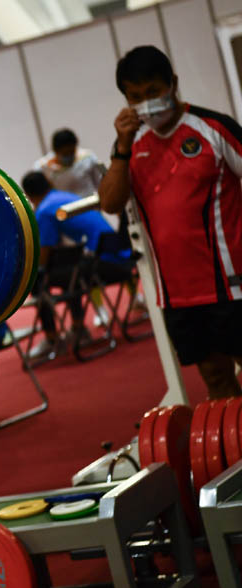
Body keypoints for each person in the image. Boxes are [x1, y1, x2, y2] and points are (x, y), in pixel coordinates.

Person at [99, 45, 242, 400]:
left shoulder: (213, 127)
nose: (147, 103)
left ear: (172, 84)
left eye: (153, 92)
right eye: (136, 97)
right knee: (215, 379)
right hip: (177, 294)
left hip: (231, 284)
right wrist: (121, 146)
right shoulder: (131, 147)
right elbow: (111, 202)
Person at [22, 171, 133, 359]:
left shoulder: (44, 212)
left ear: (28, 196)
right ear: (49, 182)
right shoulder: (66, 196)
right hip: (122, 256)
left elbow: (44, 255)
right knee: (70, 273)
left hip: (105, 264)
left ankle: (52, 339)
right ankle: (78, 328)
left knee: (37, 280)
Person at [34, 127, 105, 199]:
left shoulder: (88, 157)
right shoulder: (43, 167)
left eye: (71, 152)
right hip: (62, 207)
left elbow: (100, 184)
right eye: (65, 154)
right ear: (55, 151)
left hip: (89, 204)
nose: (69, 156)